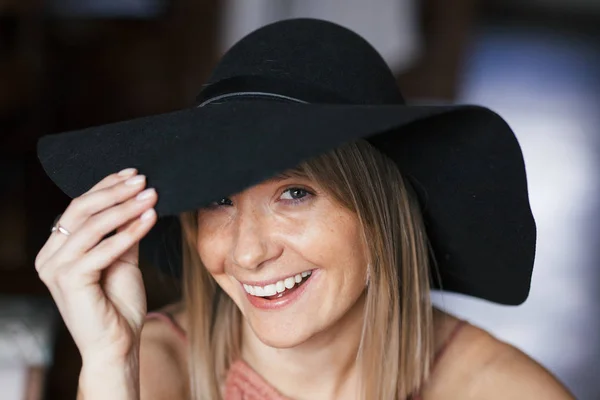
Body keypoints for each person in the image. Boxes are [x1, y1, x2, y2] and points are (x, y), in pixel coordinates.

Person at [35, 19, 574, 400]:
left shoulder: (502, 391)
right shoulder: (149, 372)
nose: (247, 252)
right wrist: (108, 368)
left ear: (382, 212)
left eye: (295, 193)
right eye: (217, 200)